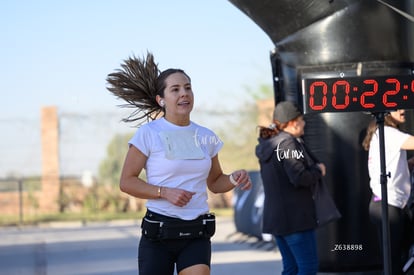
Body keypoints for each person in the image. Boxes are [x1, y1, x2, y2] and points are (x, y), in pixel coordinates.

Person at [106, 52, 252, 275]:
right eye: (175, 89)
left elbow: (214, 182)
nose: (184, 93)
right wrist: (164, 192)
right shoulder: (148, 133)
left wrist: (233, 178)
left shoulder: (206, 135)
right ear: (161, 100)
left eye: (188, 87)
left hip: (196, 232)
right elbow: (127, 182)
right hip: (159, 234)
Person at [255, 101, 326, 275]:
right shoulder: (288, 144)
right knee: (308, 267)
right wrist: (318, 170)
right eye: (302, 120)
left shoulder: (268, 145)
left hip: (277, 219)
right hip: (295, 220)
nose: (304, 124)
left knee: (291, 268)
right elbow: (299, 176)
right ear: (294, 122)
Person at [362, 110, 414, 275]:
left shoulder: (384, 134)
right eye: (397, 107)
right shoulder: (387, 132)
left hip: (390, 204)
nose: (402, 110)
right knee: (393, 263)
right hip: (387, 206)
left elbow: (397, 165)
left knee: (399, 258)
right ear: (385, 113)